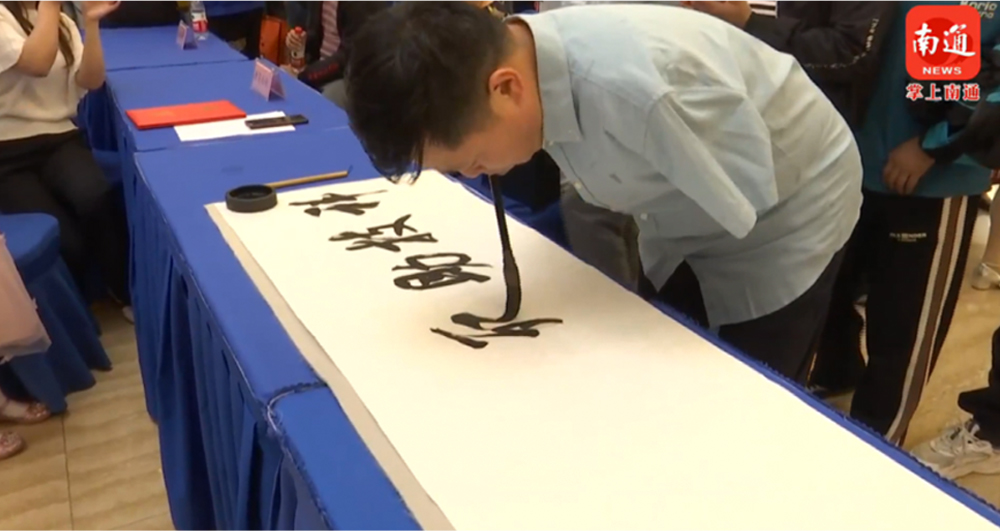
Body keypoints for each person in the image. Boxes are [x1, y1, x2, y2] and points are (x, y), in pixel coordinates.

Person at [343, 2, 863, 384]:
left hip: (788, 210)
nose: (478, 175)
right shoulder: (515, 51)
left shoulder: (642, 95)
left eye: (473, 161)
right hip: (693, 196)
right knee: (664, 346)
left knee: (748, 387)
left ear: (505, 88)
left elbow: (743, 206)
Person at [806, 1, 1000, 444]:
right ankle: (837, 370)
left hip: (928, 177)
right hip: (846, 154)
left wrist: (934, 146)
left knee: (901, 327)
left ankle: (877, 440)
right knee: (831, 290)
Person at [0, 0, 132, 320]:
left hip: (59, 137)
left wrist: (92, 25)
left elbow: (91, 81)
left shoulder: (60, 21)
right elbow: (36, 63)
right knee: (63, 237)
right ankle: (78, 311)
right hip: (7, 152)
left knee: (95, 195)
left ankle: (122, 289)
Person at [285, 1, 392, 108]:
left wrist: (305, 75)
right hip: (324, 66)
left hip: (353, 76)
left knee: (325, 101)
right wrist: (301, 41)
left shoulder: (360, 4)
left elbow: (350, 56)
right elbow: (316, 33)